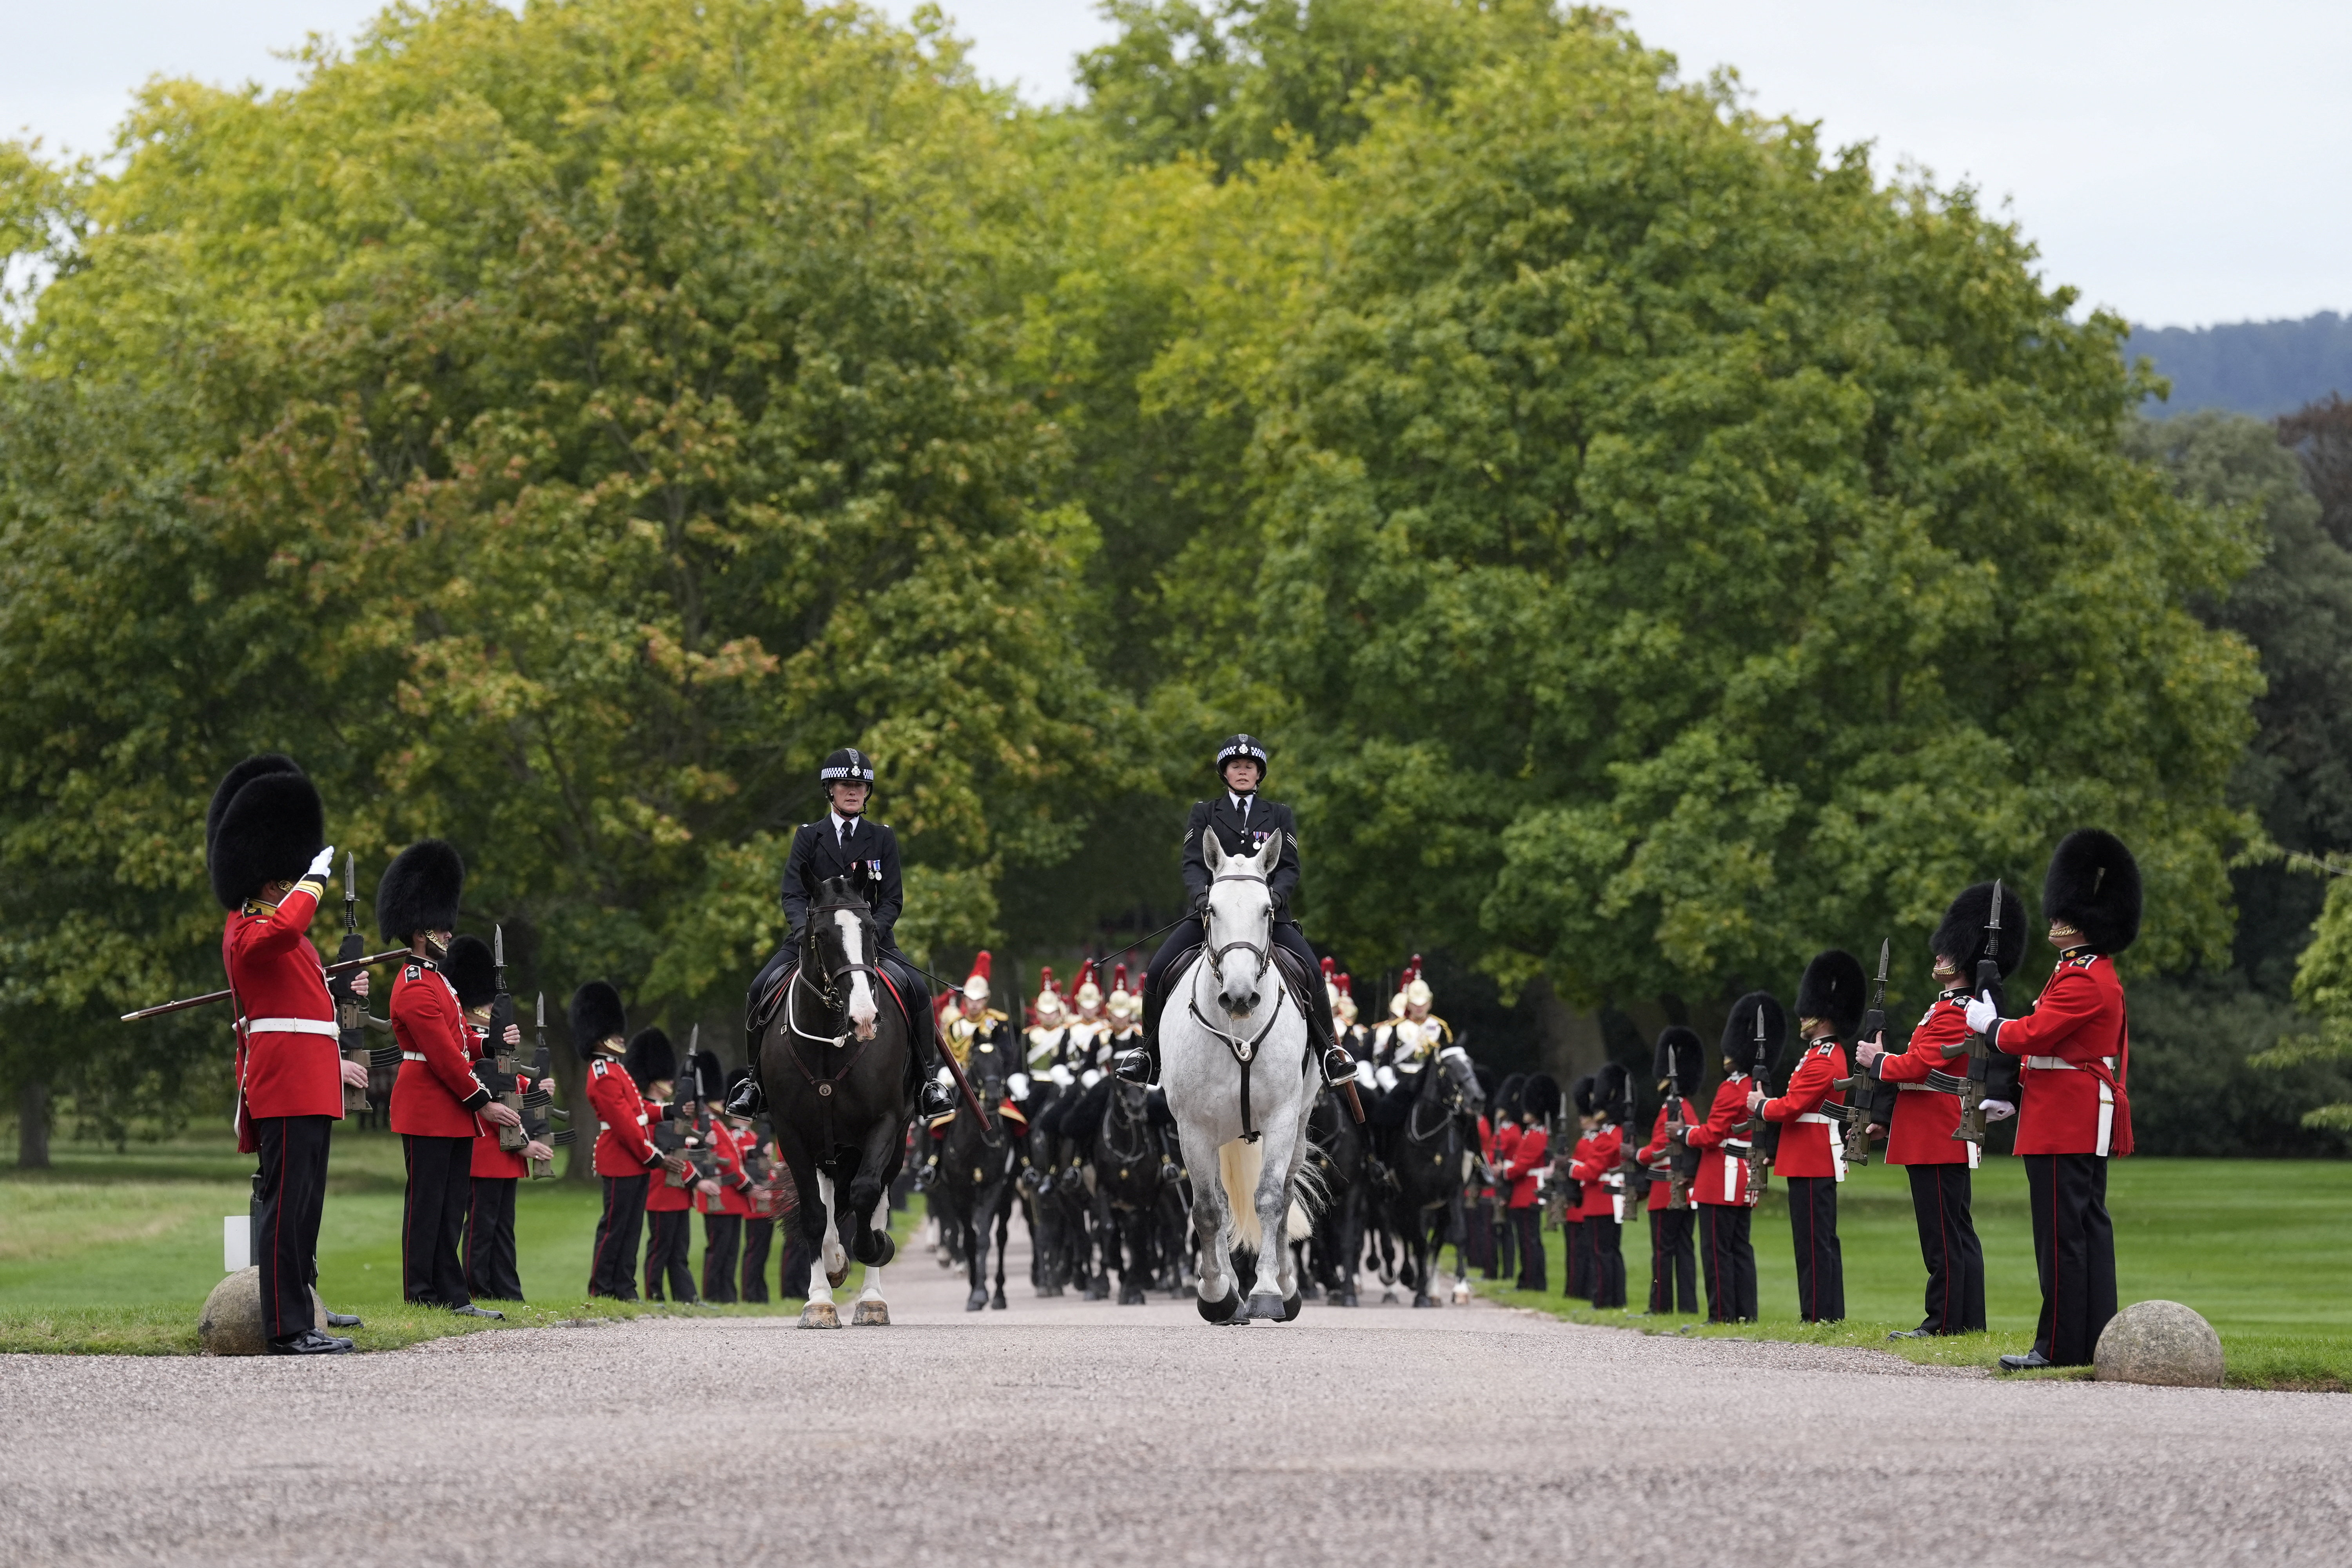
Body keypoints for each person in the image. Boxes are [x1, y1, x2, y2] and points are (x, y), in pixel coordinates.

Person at [207, 755, 370, 1356]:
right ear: (272, 879)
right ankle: (284, 1327)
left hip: (309, 1078)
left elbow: (308, 998)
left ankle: (306, 1311)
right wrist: (314, 882)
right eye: (291, 877)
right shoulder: (249, 929)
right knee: (284, 1210)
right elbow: (281, 937)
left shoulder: (282, 933)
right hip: (283, 1079)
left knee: (305, 1209)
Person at [1972, 829, 2141, 1370]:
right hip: (2067, 1112)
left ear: (2080, 923)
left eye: (2062, 915)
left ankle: (2060, 1346)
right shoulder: (2082, 972)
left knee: (2061, 1236)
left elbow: (2034, 1036)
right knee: (2085, 1229)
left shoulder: (2084, 980)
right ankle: (2093, 1337)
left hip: (2065, 1118)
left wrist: (1989, 1024)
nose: (2053, 922)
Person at [1116, 735, 1351, 1087]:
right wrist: (1200, 895)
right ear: (1225, 773)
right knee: (1158, 971)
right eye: (1235, 766)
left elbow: (1289, 867)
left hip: (1264, 916)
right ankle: (1148, 1054)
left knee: (1313, 973)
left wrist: (1276, 898)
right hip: (1213, 915)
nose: (1243, 772)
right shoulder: (1205, 812)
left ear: (1259, 774)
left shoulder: (1279, 814)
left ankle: (1330, 1052)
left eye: (1250, 767)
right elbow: (1193, 863)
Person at [733, 748, 954, 1120]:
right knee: (759, 989)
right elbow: (792, 894)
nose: (853, 791)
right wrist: (806, 934)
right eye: (845, 785)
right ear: (830, 790)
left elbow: (893, 899)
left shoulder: (882, 838)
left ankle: (926, 1081)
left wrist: (869, 936)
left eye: (860, 786)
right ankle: (754, 1084)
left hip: (871, 943)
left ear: (867, 793)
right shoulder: (808, 836)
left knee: (917, 991)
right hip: (813, 942)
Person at [1858, 881, 2020, 1338]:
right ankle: (1968, 1322)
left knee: (1943, 1237)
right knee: (1956, 1232)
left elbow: (1919, 1064)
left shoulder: (1959, 1009)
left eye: (1948, 951)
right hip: (1931, 1130)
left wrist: (1879, 1060)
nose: (1939, 957)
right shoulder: (1945, 1006)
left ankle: (1943, 1322)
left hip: (1936, 1132)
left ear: (1963, 959)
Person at [381, 840, 517, 1319]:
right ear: (419, 931)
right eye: (440, 925)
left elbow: (460, 1041)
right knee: (427, 1206)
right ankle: (422, 1292)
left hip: (451, 1109)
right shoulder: (414, 986)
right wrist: (483, 1102)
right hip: (428, 1105)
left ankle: (452, 1295)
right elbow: (440, 1055)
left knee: (451, 1206)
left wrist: (493, 1045)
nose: (447, 930)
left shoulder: (439, 981)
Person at [1755, 951, 1859, 1324]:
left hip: (1814, 1156)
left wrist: (1760, 1105)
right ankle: (1821, 1313)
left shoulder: (1825, 1058)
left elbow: (1791, 1108)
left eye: (1809, 1010)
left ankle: (1819, 1315)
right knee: (1813, 1241)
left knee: (1815, 1242)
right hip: (1805, 1154)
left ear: (1824, 1014)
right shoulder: (1818, 1054)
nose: (1802, 1016)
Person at [446, 935, 545, 1304]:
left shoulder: (489, 1038)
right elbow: (484, 1083)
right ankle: (479, 1288)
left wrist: (538, 1088)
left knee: (503, 1226)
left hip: (502, 1149)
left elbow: (509, 1083)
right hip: (484, 1146)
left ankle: (506, 1290)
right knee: (481, 1227)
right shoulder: (468, 1038)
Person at [577, 982, 689, 1299]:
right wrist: (655, 1157)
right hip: (621, 1157)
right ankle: (602, 1289)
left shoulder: (617, 1070)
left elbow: (639, 1111)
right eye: (614, 1033)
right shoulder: (603, 1073)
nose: (621, 1038)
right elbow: (625, 1126)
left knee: (631, 1231)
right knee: (614, 1229)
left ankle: (625, 1288)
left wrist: (668, 1111)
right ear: (600, 1036)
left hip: (635, 1160)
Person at [1685, 992, 1782, 1324]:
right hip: (1747, 1175)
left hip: (1719, 1176)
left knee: (1716, 1250)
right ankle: (1746, 1314)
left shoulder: (1731, 1088)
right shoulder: (1758, 1088)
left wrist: (1684, 1134)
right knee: (1741, 1247)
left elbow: (1711, 1135)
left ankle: (1721, 1315)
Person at [637, 1030, 710, 1303]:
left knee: (679, 1248)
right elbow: (659, 1147)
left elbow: (686, 1143)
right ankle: (654, 1294)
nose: (670, 1081)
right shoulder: (646, 1109)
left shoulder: (668, 1109)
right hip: (661, 1189)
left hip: (678, 1189)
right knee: (659, 1247)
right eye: (666, 1078)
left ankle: (686, 1295)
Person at [1639, 1026, 1703, 1315]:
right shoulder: (1686, 1107)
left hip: (1666, 1189)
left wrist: (1637, 1154)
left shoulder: (1670, 1109)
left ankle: (1660, 1307)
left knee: (1663, 1252)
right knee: (1684, 1250)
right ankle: (1687, 1307)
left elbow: (1657, 1148)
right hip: (1684, 1190)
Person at [688, 1051, 757, 1303]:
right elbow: (726, 1164)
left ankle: (727, 1295)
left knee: (730, 1252)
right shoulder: (705, 1126)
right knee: (719, 1251)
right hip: (719, 1196)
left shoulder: (718, 1125)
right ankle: (715, 1295)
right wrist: (749, 1186)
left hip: (731, 1198)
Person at [1570, 1066, 1630, 1309]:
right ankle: (1616, 1299)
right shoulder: (1618, 1133)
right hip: (1610, 1199)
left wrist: (1570, 1168)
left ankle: (1603, 1300)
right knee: (1611, 1251)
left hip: (1600, 1200)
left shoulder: (1606, 1137)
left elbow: (1591, 1172)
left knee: (1601, 1253)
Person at [1503, 1075, 1555, 1291]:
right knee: (1526, 1240)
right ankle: (1528, 1279)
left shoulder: (1536, 1136)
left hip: (1528, 1193)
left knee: (1529, 1240)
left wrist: (1505, 1171)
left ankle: (1533, 1282)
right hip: (1524, 1192)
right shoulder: (1532, 1133)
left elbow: (1522, 1166)